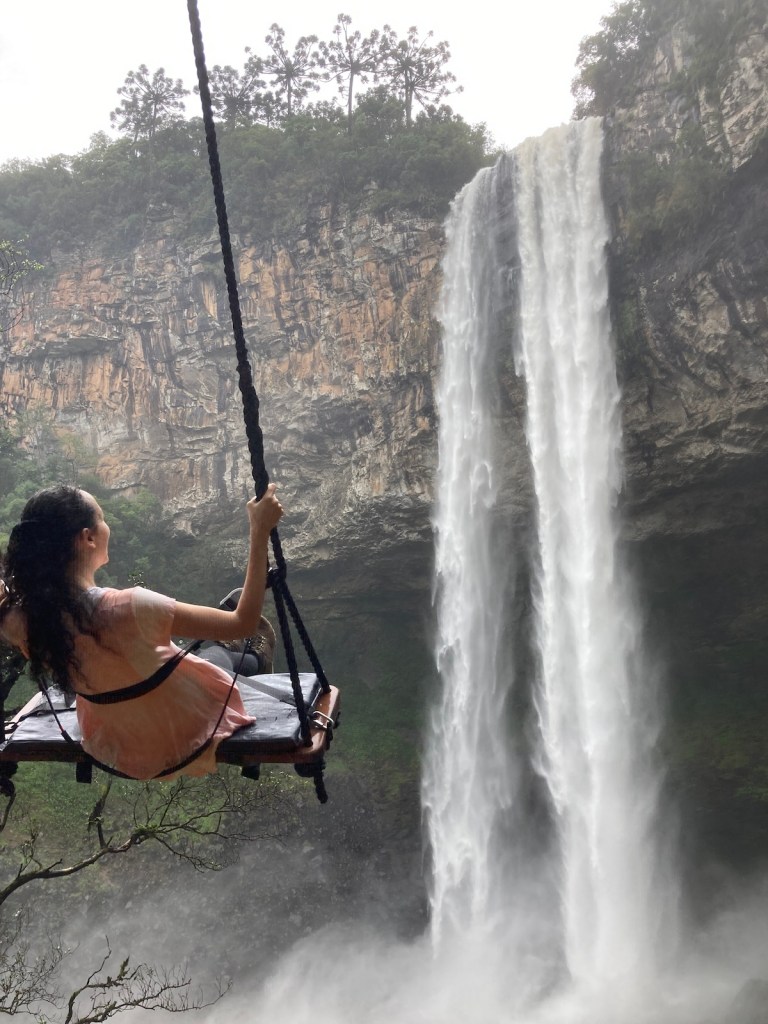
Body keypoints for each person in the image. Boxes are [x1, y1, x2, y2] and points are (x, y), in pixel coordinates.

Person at [0, 483, 284, 780]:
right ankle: (255, 656)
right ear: (88, 538)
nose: (107, 526)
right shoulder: (128, 606)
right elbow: (243, 622)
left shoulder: (19, 621)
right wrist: (260, 530)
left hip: (118, 741)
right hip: (186, 730)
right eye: (102, 518)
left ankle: (231, 651)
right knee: (217, 656)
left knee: (202, 655)